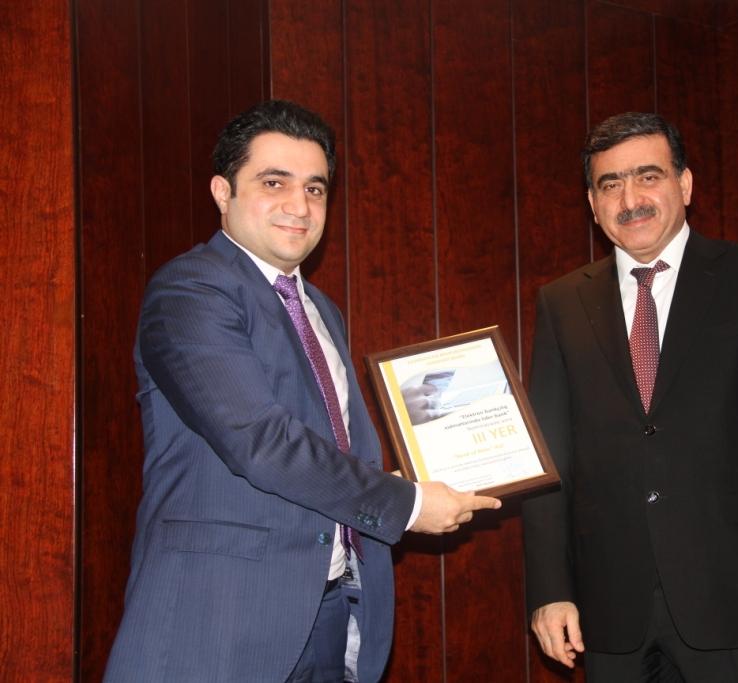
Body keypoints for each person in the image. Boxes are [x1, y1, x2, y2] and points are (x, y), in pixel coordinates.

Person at [104, 100, 501, 683]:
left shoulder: (320, 308)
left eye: (315, 189)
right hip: (221, 615)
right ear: (222, 192)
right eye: (274, 183)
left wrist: (401, 479)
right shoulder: (190, 290)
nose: (299, 205)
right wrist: (408, 504)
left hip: (330, 611)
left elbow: (325, 447)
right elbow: (259, 440)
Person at [522, 112, 738, 682]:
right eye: (610, 184)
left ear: (684, 184)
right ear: (592, 203)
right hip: (608, 610)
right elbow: (550, 464)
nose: (630, 199)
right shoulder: (561, 303)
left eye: (649, 176)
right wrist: (549, 590)